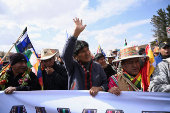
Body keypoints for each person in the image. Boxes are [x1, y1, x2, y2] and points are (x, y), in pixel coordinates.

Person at [61, 17, 108, 97]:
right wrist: (76, 33)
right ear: (76, 56)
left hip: (96, 103)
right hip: (77, 103)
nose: (87, 53)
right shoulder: (72, 66)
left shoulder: (98, 67)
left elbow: (105, 84)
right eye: (83, 51)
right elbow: (65, 55)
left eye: (87, 50)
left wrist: (99, 88)